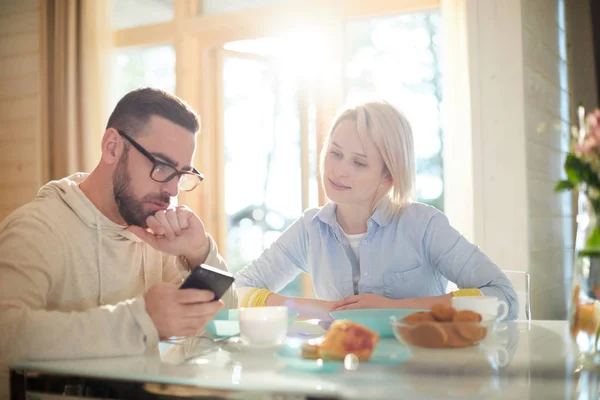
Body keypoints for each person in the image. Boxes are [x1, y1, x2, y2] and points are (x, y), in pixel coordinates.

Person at [0, 88, 237, 398]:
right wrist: (142, 320)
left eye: (180, 174)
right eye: (162, 166)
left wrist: (200, 252)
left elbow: (225, 326)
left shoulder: (154, 232)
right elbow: (6, 335)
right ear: (112, 147)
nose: (171, 190)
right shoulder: (36, 229)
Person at [235, 101, 518, 319]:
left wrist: (394, 309)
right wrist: (323, 309)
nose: (338, 170)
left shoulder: (424, 225)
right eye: (335, 153)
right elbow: (239, 291)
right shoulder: (310, 228)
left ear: (389, 177)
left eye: (358, 163)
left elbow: (504, 297)